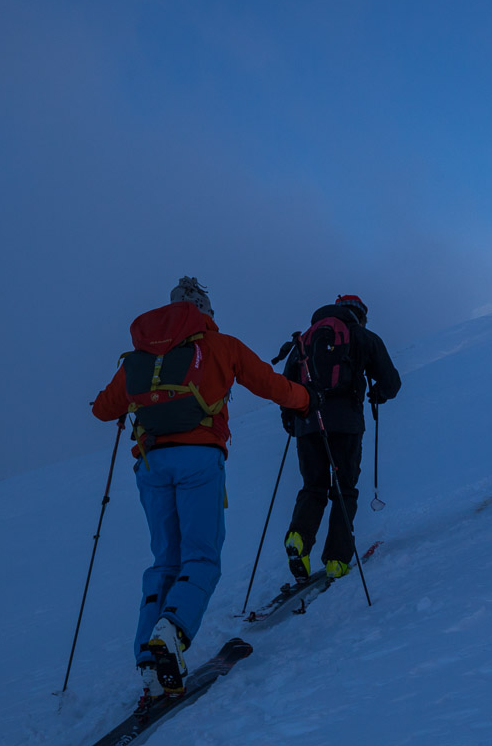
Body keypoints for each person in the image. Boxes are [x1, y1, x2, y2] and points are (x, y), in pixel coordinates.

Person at [92, 277, 312, 697]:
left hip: (151, 463)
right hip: (199, 459)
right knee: (202, 557)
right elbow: (269, 384)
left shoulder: (140, 356)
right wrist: (305, 400)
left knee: (164, 561)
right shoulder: (220, 345)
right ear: (205, 313)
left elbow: (105, 410)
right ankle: (172, 633)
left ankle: (148, 662)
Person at [281, 295, 401, 583]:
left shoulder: (305, 340)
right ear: (359, 315)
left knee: (313, 486)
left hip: (308, 423)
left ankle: (298, 538)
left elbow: (286, 385)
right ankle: (336, 560)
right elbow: (391, 383)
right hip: (346, 424)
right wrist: (377, 395)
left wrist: (291, 420)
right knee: (344, 489)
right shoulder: (362, 335)